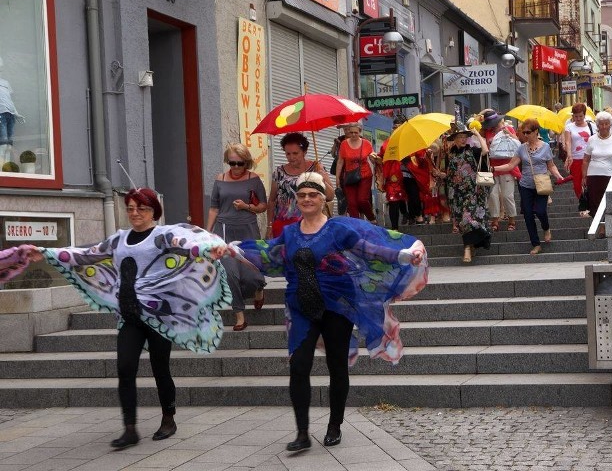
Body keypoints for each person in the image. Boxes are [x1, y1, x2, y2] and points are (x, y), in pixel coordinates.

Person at [2, 188, 231, 449]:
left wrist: (210, 248)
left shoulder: (162, 235)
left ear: (154, 211)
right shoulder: (119, 239)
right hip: (129, 317)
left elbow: (188, 247)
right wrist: (46, 252)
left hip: (158, 317)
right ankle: (130, 428)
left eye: (141, 208)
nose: (135, 213)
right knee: (125, 368)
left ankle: (169, 418)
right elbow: (84, 255)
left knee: (160, 369)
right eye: (130, 208)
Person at [232, 172, 428, 451]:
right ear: (297, 200)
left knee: (337, 366)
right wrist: (234, 249)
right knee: (299, 366)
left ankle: (335, 424)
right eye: (301, 195)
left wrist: (403, 256)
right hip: (301, 307)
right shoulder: (289, 232)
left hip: (337, 306)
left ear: (323, 199)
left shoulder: (337, 230)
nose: (307, 199)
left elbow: (368, 250)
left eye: (312, 194)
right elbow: (267, 252)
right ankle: (302, 433)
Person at [206, 143, 267, 331]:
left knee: (252, 273)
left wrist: (246, 207)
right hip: (224, 230)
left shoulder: (254, 179)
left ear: (246, 162)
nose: (235, 167)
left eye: (240, 163)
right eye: (232, 163)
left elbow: (263, 206)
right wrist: (207, 233)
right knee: (230, 273)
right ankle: (239, 314)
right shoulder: (220, 179)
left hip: (247, 230)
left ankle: (258, 289)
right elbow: (214, 208)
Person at [494, 119, 564, 255]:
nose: (525, 135)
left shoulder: (545, 147)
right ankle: (536, 244)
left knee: (540, 211)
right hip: (525, 185)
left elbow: (551, 165)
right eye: (523, 132)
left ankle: (546, 227)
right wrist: (493, 168)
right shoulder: (521, 148)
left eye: (528, 132)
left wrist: (558, 175)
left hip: (541, 184)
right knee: (527, 213)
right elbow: (510, 165)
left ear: (536, 131)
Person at [267, 132, 334, 238]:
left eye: (295, 153)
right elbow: (271, 200)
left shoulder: (316, 167)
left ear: (304, 152)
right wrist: (269, 226)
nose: (291, 157)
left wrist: (321, 178)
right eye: (288, 154)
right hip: (282, 225)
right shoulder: (279, 172)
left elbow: (330, 196)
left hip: (309, 224)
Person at [445, 124, 491, 263]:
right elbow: (449, 174)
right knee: (461, 222)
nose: (463, 139)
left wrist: (477, 134)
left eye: (465, 137)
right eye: (460, 137)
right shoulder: (450, 154)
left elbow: (485, 150)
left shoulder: (473, 151)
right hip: (456, 193)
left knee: (467, 218)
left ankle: (466, 248)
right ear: (455, 139)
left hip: (473, 191)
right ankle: (472, 245)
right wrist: (439, 174)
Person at [582, 111, 612, 234]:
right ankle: (601, 226)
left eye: (606, 124)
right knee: (595, 201)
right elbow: (586, 159)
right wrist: (584, 176)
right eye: (601, 124)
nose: (604, 127)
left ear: (610, 124)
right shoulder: (592, 139)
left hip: (610, 175)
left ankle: (609, 224)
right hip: (594, 175)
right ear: (597, 125)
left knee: (610, 201)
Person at [478, 109, 521, 233]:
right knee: (492, 195)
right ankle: (495, 219)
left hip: (508, 166)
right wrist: (481, 116)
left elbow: (517, 143)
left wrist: (509, 134)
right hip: (491, 167)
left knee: (508, 195)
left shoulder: (508, 129)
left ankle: (512, 219)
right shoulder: (486, 131)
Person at [335, 123, 377, 223]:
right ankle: (357, 225)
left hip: (365, 175)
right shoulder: (344, 144)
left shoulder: (366, 143)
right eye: (351, 132)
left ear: (359, 132)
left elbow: (372, 157)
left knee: (362, 200)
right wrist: (337, 178)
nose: (353, 135)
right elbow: (340, 162)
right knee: (352, 203)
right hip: (350, 176)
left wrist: (373, 158)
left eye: (356, 133)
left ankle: (372, 218)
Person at [373, 117, 408, 230]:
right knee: (393, 200)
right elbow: (381, 156)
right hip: (392, 177)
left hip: (408, 176)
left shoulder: (409, 141)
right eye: (394, 127)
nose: (396, 130)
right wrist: (375, 157)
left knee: (404, 198)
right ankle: (394, 228)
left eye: (399, 127)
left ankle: (409, 214)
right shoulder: (387, 142)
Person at [564, 103, 595, 206]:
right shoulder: (569, 127)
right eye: (576, 116)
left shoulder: (592, 126)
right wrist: (569, 155)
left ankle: (591, 203)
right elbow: (568, 142)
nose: (578, 118)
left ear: (584, 115)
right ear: (573, 115)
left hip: (590, 158)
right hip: (576, 158)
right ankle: (583, 202)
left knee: (590, 182)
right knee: (577, 183)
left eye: (580, 116)